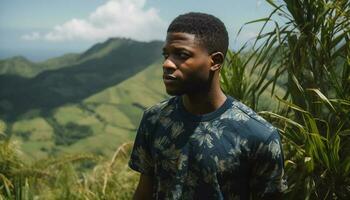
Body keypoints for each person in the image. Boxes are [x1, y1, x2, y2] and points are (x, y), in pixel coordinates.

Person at [128, 12, 287, 200]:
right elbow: (144, 192)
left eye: (182, 55)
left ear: (215, 61)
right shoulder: (155, 119)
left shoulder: (259, 135)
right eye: (167, 54)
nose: (167, 64)